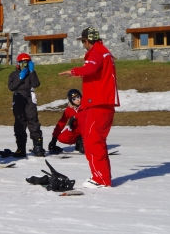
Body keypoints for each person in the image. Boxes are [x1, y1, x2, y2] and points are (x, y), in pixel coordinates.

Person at [59, 27, 119, 188]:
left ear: (86, 41)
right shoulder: (105, 51)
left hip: (98, 104)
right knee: (97, 140)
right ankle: (102, 177)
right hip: (104, 103)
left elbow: (90, 68)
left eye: (83, 42)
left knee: (93, 141)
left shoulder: (97, 52)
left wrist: (74, 71)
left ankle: (100, 179)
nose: (84, 45)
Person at [7, 53, 45, 157]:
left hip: (29, 98)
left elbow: (36, 84)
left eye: (27, 63)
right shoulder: (13, 75)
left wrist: (32, 72)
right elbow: (11, 87)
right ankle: (21, 148)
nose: (25, 65)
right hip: (18, 97)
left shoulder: (31, 74)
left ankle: (38, 147)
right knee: (20, 122)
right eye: (22, 63)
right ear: (18, 64)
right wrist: (20, 78)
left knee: (33, 120)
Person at [48, 89, 86, 154]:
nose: (77, 100)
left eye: (78, 97)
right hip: (76, 130)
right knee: (62, 138)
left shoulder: (85, 105)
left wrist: (75, 117)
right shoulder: (69, 110)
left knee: (81, 118)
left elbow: (89, 113)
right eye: (74, 99)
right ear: (71, 100)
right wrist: (54, 139)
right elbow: (61, 123)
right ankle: (79, 141)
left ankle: (85, 142)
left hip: (87, 130)